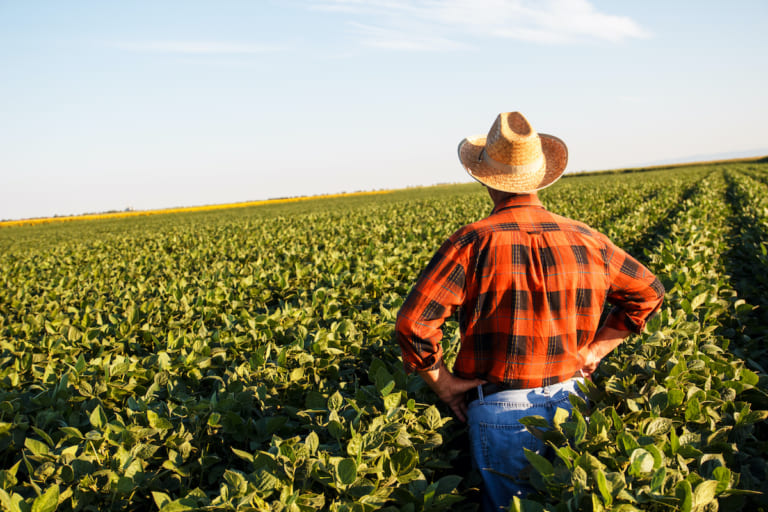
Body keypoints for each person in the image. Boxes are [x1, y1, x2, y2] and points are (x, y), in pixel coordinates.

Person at [395, 112, 665, 511]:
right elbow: (649, 292)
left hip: (502, 409)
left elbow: (414, 324)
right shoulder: (587, 238)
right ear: (541, 176)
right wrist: (593, 352)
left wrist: (444, 384)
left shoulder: (472, 242)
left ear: (485, 178)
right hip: (573, 397)